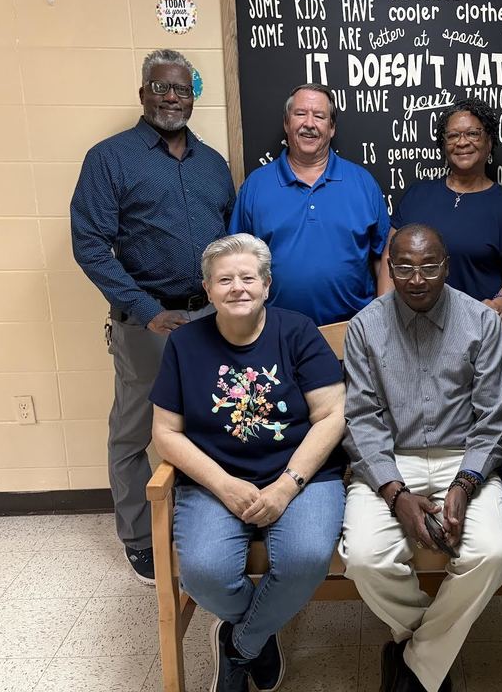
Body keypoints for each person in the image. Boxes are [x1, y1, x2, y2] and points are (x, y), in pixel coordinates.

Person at [150, 233, 347, 692]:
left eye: (247, 277)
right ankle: (261, 631)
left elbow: (333, 415)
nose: (237, 287)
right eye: (224, 280)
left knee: (305, 557)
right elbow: (165, 433)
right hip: (213, 480)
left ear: (267, 284)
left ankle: (240, 643)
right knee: (204, 572)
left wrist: (286, 486)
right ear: (208, 287)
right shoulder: (184, 345)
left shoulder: (298, 332)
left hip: (301, 475)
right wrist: (224, 484)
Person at [70, 48, 235, 583]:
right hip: (147, 323)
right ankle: (140, 537)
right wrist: (146, 309)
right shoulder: (109, 159)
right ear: (143, 93)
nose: (171, 97)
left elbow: (231, 241)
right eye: (161, 87)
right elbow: (90, 244)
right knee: (135, 430)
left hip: (211, 318)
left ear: (193, 96)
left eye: (182, 89)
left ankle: (207, 521)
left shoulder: (213, 164)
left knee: (215, 421)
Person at [339, 224, 502, 692]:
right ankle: (428, 647)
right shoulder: (365, 326)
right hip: (389, 461)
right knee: (364, 558)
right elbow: (362, 419)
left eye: (429, 266)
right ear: (390, 267)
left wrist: (465, 483)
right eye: (405, 267)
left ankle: (414, 662)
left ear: (447, 266)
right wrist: (396, 495)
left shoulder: (480, 322)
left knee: (492, 553)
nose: (417, 279)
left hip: (467, 458)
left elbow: (493, 417)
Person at [229, 83, 390, 325]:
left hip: (353, 332)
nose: (309, 124)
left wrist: (382, 322)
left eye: (320, 116)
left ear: (332, 128)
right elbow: (238, 260)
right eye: (300, 114)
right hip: (275, 331)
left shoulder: (363, 183)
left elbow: (384, 257)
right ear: (286, 123)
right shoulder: (256, 186)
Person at [381, 98, 502, 319]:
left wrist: (500, 303)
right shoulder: (416, 196)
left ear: (489, 142)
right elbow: (391, 259)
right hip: (412, 328)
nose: (462, 142)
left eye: (473, 133)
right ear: (443, 145)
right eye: (453, 135)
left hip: (477, 330)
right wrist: (385, 316)